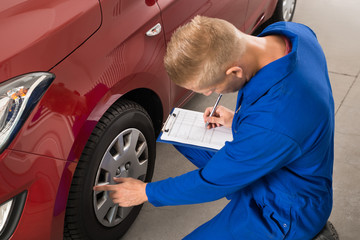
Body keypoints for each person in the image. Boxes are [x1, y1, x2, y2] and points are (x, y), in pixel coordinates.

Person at [94, 16, 335, 239]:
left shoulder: (274, 121)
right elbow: (279, 118)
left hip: (286, 209)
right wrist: (239, 119)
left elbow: (211, 183)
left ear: (234, 71)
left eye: (211, 88)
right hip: (280, 154)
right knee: (178, 136)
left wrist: (145, 192)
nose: (209, 94)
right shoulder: (293, 34)